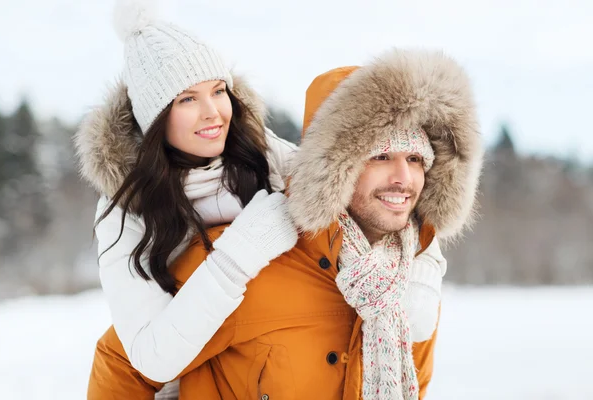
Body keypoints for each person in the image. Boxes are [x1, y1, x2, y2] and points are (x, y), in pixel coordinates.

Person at [86, 48, 484, 400]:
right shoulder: (243, 254)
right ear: (337, 168)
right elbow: (125, 361)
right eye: (380, 157)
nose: (403, 178)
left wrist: (427, 255)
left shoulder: (408, 287)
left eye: (416, 160)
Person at [74, 0, 299, 387]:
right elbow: (152, 360)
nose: (213, 111)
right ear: (156, 118)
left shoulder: (269, 158)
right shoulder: (125, 210)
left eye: (218, 90)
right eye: (188, 99)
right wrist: (240, 252)